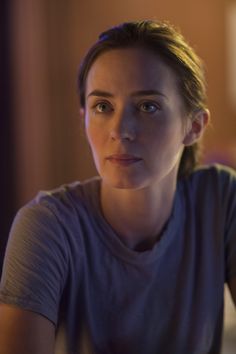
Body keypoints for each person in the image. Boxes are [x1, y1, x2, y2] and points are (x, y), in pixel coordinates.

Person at [0, 19, 235, 354]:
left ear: (194, 126)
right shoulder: (47, 227)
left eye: (148, 106)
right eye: (102, 107)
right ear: (83, 118)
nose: (120, 130)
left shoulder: (221, 201)